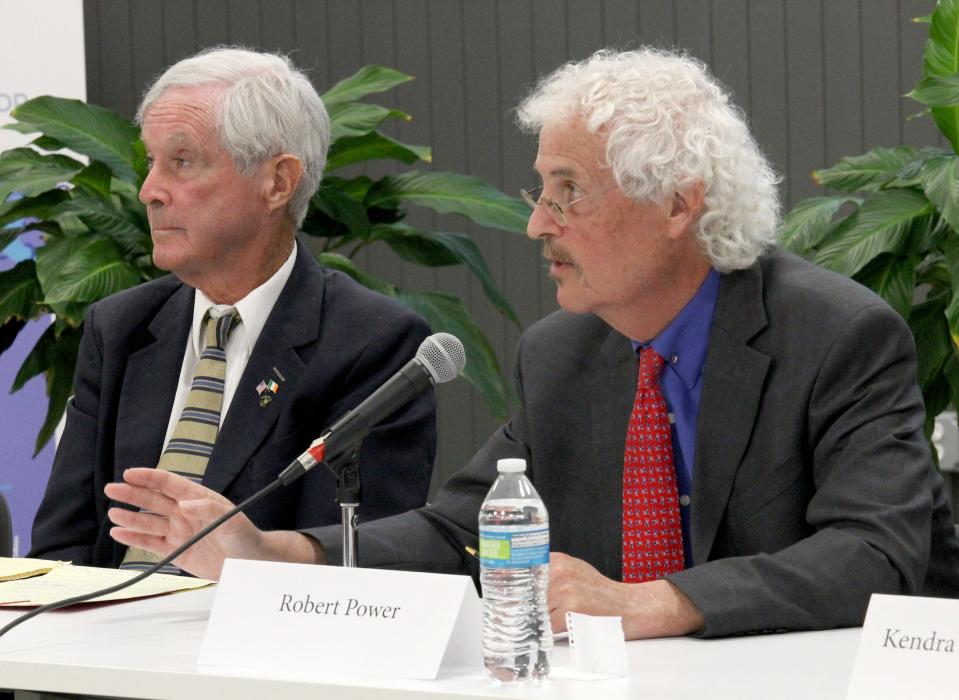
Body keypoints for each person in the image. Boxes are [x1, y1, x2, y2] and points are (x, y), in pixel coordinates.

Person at [104, 47, 959, 636]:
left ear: (676, 205)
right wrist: (274, 551)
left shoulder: (837, 333)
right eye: (540, 189)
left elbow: (874, 553)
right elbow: (461, 535)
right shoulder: (563, 353)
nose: (535, 222)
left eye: (567, 192)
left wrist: (659, 602)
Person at [29, 47, 437, 570]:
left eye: (182, 162)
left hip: (251, 642)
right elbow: (62, 549)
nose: (150, 190)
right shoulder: (120, 327)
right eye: (152, 162)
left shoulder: (372, 341)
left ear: (277, 183)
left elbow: (353, 562)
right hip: (101, 637)